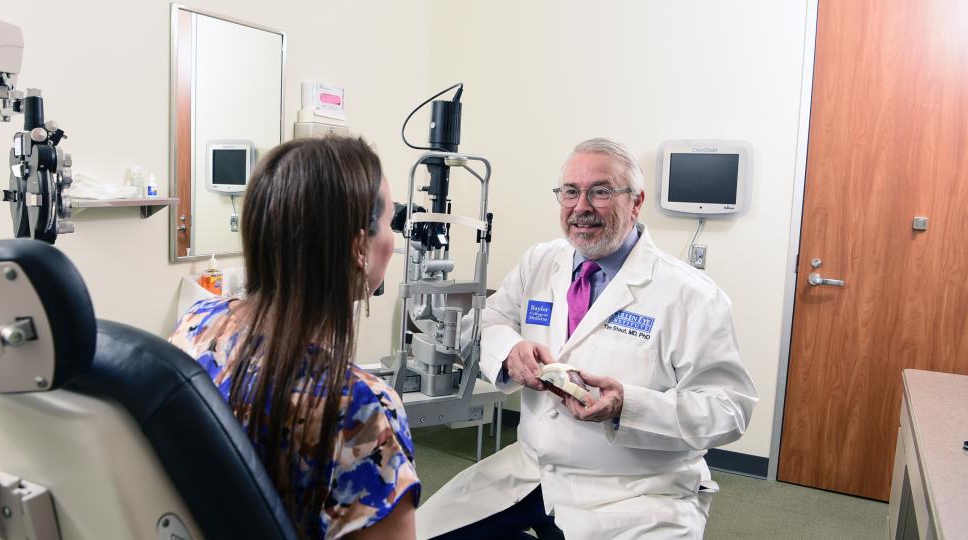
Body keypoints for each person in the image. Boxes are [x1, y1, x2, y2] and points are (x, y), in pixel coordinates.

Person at [417, 138, 758, 539]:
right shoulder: (541, 262)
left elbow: (729, 409)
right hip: (530, 469)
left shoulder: (691, 295)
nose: (581, 207)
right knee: (417, 534)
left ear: (635, 202)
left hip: (635, 491)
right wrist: (511, 351)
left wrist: (627, 406)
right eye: (570, 192)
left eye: (600, 192)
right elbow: (489, 322)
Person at [169, 137, 419, 539]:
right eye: (391, 223)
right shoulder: (359, 406)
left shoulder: (196, 325)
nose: (393, 241)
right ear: (359, 247)